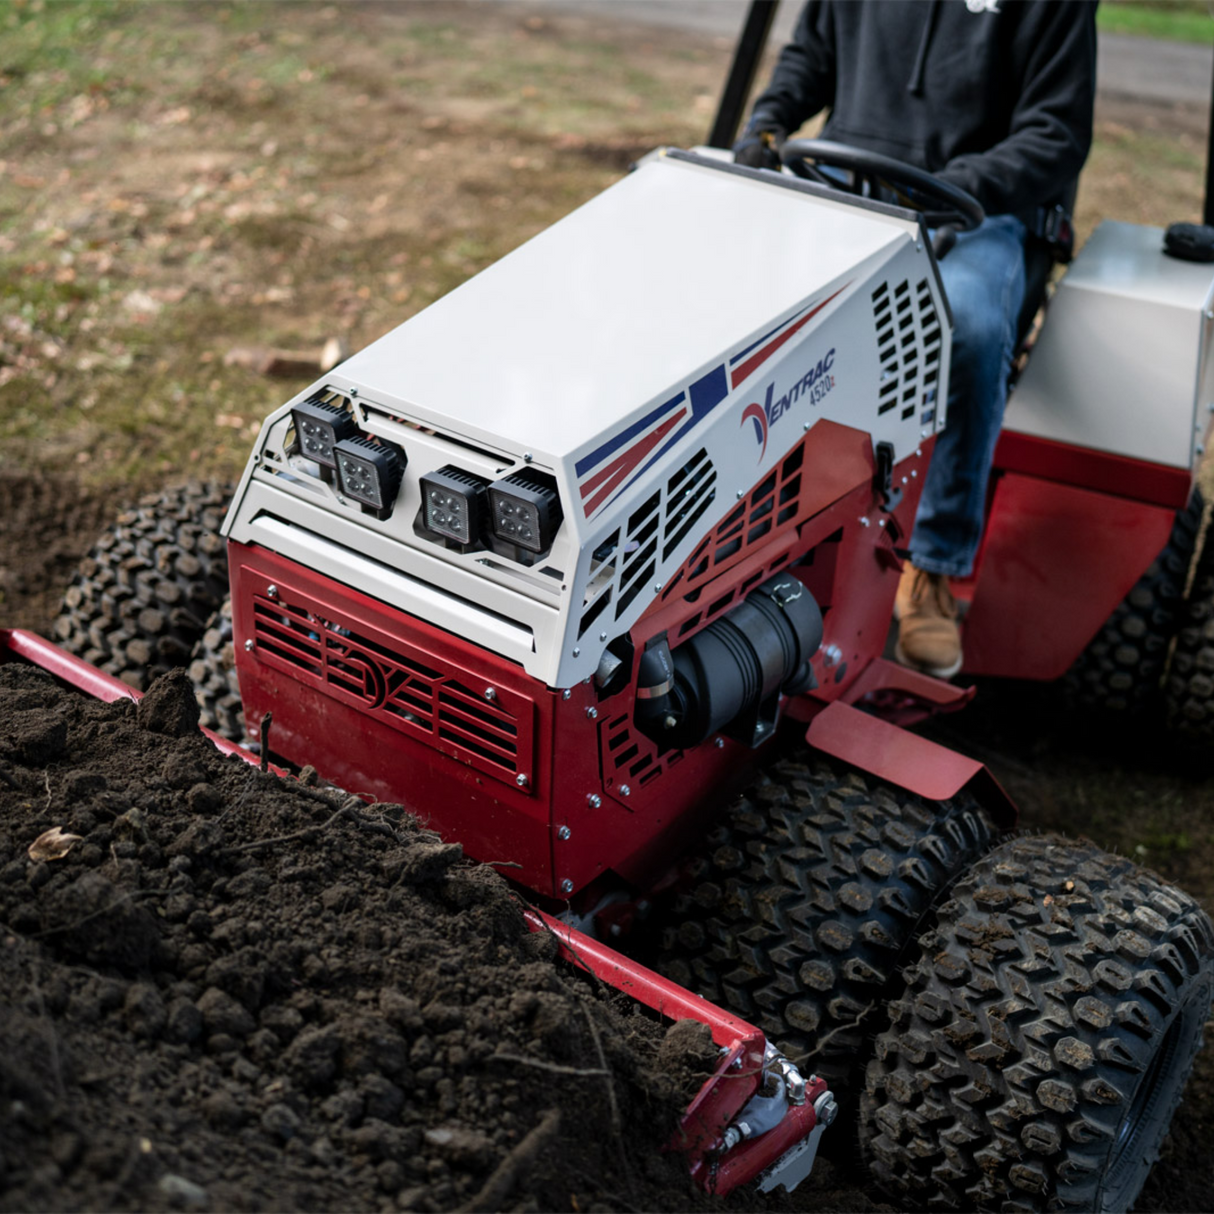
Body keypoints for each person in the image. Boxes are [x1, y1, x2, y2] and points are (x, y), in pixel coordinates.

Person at [735, 0, 1097, 679]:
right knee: (750, 306)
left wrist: (960, 184)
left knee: (971, 329)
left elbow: (1055, 133)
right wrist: (770, 120)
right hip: (843, 180)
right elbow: (812, 57)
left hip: (975, 205)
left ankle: (934, 563)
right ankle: (749, 532)